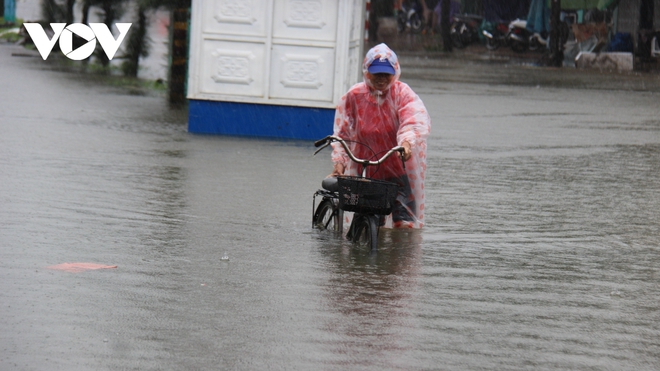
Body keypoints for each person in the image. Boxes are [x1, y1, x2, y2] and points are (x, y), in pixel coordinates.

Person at [328, 43, 431, 229]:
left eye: (386, 74)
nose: (381, 79)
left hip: (399, 171)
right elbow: (343, 132)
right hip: (367, 170)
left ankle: (399, 257)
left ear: (395, 72)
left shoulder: (402, 94)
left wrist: (407, 143)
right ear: (367, 73)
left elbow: (414, 120)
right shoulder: (354, 96)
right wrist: (340, 162)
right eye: (377, 74)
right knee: (369, 222)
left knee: (405, 224)